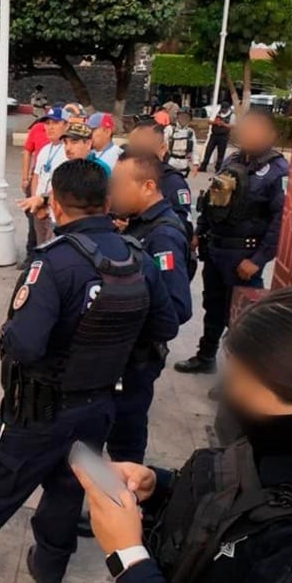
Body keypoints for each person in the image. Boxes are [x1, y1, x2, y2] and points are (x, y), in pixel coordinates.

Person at [0, 160, 179, 583]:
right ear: (107, 202)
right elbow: (164, 326)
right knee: (66, 493)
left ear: (54, 203)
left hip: (37, 410)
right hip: (97, 409)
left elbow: (26, 345)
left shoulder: (54, 262)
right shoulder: (138, 259)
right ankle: (48, 577)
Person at [79, 286, 292, 583]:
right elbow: (252, 498)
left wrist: (127, 557)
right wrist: (160, 489)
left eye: (244, 387)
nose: (229, 395)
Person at [175, 110, 288, 375]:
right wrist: (198, 232)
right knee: (212, 307)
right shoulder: (232, 161)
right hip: (216, 248)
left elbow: (280, 221)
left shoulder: (278, 171)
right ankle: (205, 357)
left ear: (271, 135)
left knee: (241, 318)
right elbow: (212, 200)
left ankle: (238, 375)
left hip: (244, 256)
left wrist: (258, 260)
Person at [104, 151, 193, 462]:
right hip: (125, 353)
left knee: (125, 441)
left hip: (138, 357)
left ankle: (128, 504)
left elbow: (178, 307)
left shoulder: (163, 236)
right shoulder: (140, 224)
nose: (113, 192)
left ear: (148, 186)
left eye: (118, 184)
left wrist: (128, 320)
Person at [127, 122, 193, 236]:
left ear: (162, 148)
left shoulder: (173, 182)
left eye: (143, 148)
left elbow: (183, 227)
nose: (136, 155)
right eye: (133, 148)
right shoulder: (128, 176)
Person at [18, 107, 68, 247]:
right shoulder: (45, 150)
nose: (50, 128)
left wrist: (44, 203)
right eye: (47, 124)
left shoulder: (68, 151)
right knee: (41, 248)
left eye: (55, 123)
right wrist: (35, 202)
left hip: (55, 212)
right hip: (39, 210)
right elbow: (36, 177)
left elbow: (63, 184)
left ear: (66, 125)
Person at [199, 103, 233, 172]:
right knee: (208, 150)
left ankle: (218, 168)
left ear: (228, 109)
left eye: (225, 109)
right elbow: (209, 121)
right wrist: (215, 122)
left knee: (221, 153)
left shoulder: (232, 115)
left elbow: (233, 126)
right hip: (214, 134)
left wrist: (223, 124)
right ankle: (203, 166)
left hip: (223, 136)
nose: (223, 110)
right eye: (222, 108)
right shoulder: (217, 112)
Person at [166, 107, 196, 176]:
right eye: (182, 116)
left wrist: (195, 163)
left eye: (186, 117)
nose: (184, 119)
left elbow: (195, 149)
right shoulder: (170, 129)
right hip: (171, 160)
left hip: (184, 162)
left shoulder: (190, 132)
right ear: (178, 117)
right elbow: (162, 144)